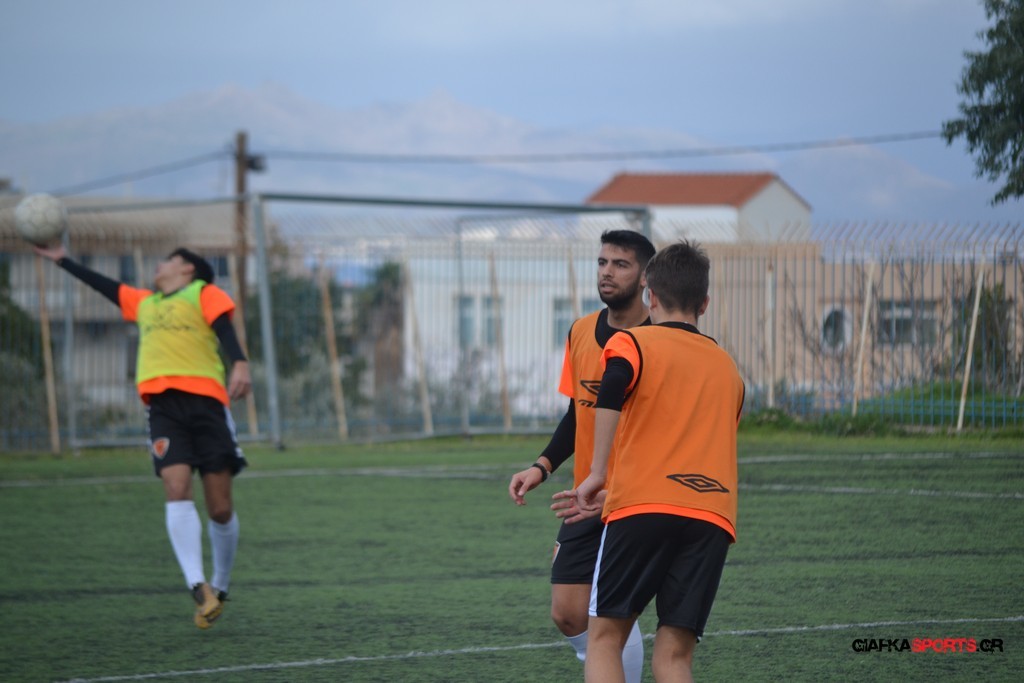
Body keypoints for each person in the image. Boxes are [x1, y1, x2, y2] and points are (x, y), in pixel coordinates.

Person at [35, 243, 251, 630]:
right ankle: (198, 587)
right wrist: (63, 259)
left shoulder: (203, 292)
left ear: (187, 269)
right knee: (176, 486)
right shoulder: (145, 303)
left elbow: (224, 328)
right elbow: (104, 285)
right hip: (164, 409)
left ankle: (220, 584)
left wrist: (240, 363)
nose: (160, 264)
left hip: (207, 406)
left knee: (220, 508)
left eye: (169, 259)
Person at [573, 239, 744, 683]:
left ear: (650, 296)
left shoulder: (633, 342)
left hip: (643, 508)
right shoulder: (729, 368)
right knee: (674, 656)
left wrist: (597, 474)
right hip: (711, 516)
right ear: (704, 303)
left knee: (605, 638)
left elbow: (612, 387)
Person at [508, 229, 655, 682]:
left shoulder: (660, 340)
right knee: (569, 612)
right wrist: (542, 466)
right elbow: (579, 411)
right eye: (602, 262)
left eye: (621, 264)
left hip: (638, 498)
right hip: (588, 495)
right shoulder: (580, 331)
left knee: (609, 613)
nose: (607, 272)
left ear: (645, 277)